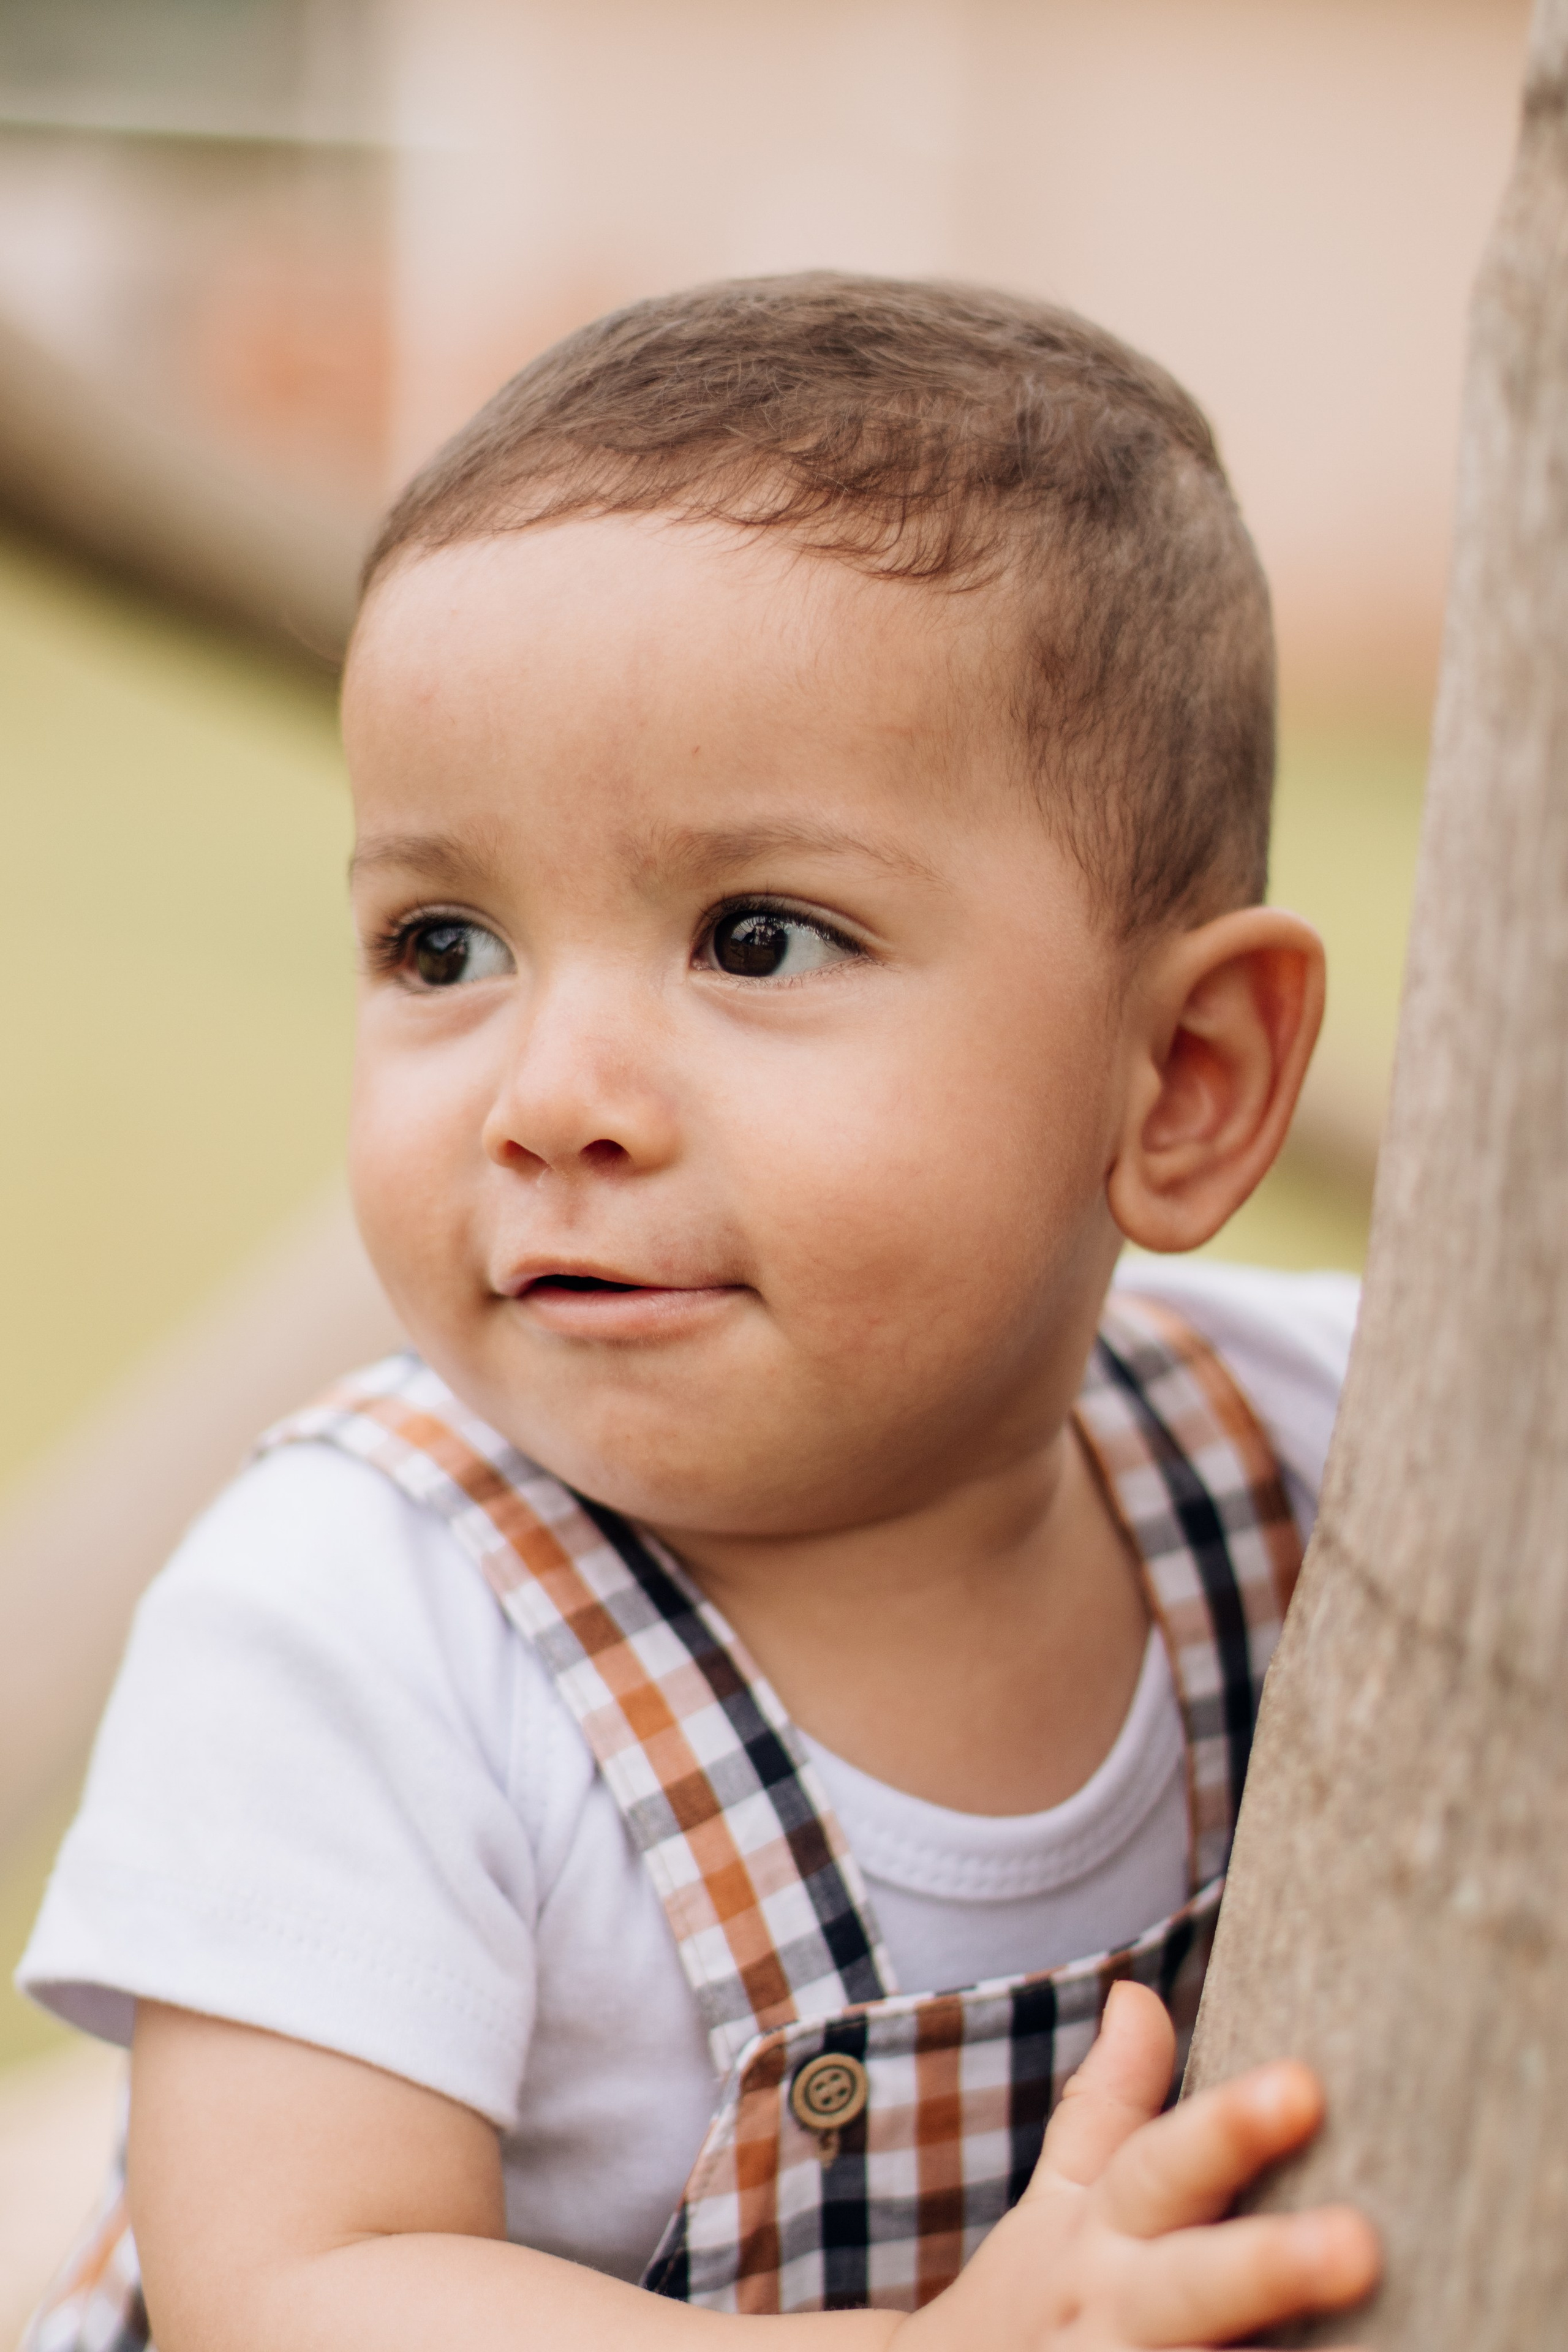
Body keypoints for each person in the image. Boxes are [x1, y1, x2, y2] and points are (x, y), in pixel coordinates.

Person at [19, 273, 1379, 2351]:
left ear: (1184, 1080)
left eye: (755, 936)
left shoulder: (1304, 1439)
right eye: (442, 940)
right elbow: (291, 2288)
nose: (550, 1098)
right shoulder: (359, 1625)